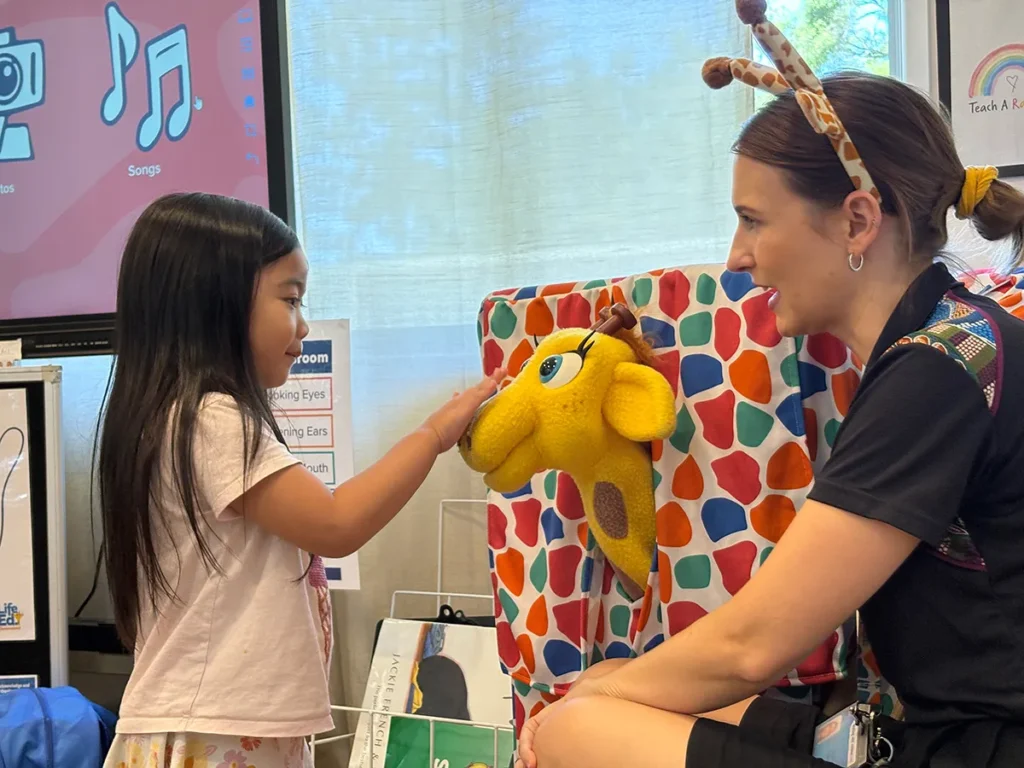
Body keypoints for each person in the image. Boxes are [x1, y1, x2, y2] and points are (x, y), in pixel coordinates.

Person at [514, 4, 1024, 768]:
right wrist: (611, 688)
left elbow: (754, 644)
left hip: (973, 748)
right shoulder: (955, 337)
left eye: (753, 221)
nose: (736, 257)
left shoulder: (940, 368)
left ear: (858, 221)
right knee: (608, 682)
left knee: (573, 726)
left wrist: (592, 708)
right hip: (914, 723)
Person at [97, 192, 504, 768]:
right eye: (290, 298)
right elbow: (335, 525)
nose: (304, 324)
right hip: (215, 730)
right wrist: (435, 434)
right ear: (217, 303)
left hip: (228, 724)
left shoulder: (183, 418)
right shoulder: (211, 422)